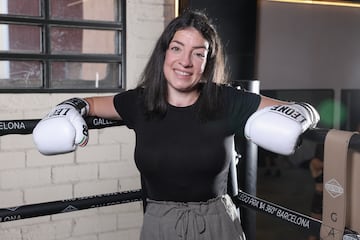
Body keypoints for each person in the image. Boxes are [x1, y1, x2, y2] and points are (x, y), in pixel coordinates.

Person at [33, 10, 319, 240]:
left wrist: (305, 114)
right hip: (160, 225)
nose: (185, 61)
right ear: (164, 53)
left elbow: (290, 110)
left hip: (218, 224)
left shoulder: (225, 100)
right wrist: (72, 106)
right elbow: (90, 103)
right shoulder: (139, 102)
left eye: (198, 53)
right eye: (177, 48)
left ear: (207, 61)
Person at [308, 144, 324, 240]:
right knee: (314, 230)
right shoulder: (315, 162)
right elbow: (325, 165)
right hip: (319, 197)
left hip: (329, 198)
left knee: (327, 230)